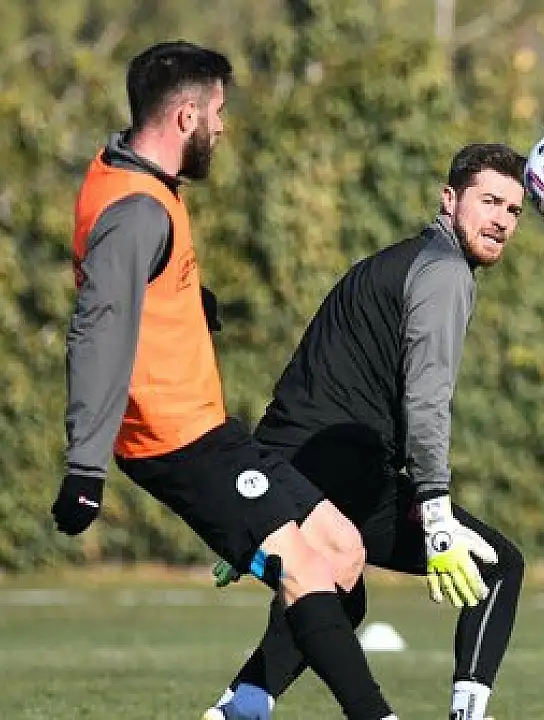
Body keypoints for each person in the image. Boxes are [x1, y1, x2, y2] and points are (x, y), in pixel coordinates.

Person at [54, 41, 399, 719]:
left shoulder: (130, 175)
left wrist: (189, 302)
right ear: (185, 118)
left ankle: (238, 710)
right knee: (306, 569)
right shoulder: (137, 212)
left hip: (208, 429)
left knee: (341, 552)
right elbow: (97, 335)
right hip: (174, 441)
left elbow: (134, 285)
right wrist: (84, 467)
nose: (222, 126)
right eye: (216, 112)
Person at [205, 143, 528, 720]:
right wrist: (437, 514)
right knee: (498, 567)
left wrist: (260, 491)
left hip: (295, 461)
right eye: (489, 201)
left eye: (514, 210)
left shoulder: (396, 262)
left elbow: (305, 377)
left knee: (333, 598)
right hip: (336, 469)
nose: (502, 219)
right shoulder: (445, 272)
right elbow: (427, 401)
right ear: (449, 199)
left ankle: (239, 708)